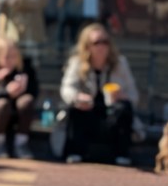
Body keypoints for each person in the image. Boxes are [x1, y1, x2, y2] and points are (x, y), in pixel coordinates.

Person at [59, 23, 138, 165]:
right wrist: (78, 97)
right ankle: (75, 152)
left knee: (124, 108)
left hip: (111, 116)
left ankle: (122, 154)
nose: (102, 47)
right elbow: (66, 89)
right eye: (97, 43)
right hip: (88, 113)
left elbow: (134, 95)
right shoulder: (77, 63)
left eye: (105, 42)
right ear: (87, 46)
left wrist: (122, 96)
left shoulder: (120, 63)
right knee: (74, 108)